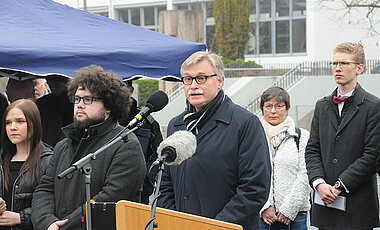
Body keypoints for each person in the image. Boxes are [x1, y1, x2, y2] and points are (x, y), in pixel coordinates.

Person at [157, 51, 271, 230]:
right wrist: (175, 221)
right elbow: (164, 184)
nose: (193, 85)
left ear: (220, 81)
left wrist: (215, 226)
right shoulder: (176, 125)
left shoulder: (244, 123)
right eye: (188, 79)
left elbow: (254, 188)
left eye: (201, 78)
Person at [31, 65, 146, 230]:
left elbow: (108, 199)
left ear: (108, 106)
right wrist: (47, 222)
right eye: (77, 99)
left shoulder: (125, 144)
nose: (79, 105)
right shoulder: (63, 145)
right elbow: (45, 189)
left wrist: (64, 226)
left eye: (88, 99)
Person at [305, 42, 380, 229]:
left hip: (358, 210)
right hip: (325, 208)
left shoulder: (373, 106)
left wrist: (340, 185)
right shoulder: (322, 106)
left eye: (344, 63)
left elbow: (372, 156)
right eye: (334, 63)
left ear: (359, 68)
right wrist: (319, 184)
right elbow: (312, 150)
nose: (337, 68)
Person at [259, 86, 311, 230]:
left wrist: (289, 209)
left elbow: (306, 174)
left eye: (279, 106)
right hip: (263, 215)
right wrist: (265, 205)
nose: (273, 111)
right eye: (268, 106)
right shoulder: (254, 136)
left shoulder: (301, 136)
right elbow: (249, 173)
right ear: (262, 109)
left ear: (287, 109)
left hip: (296, 215)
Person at [0, 99, 52, 230]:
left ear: (34, 124)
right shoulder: (2, 159)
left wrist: (21, 217)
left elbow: (54, 202)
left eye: (20, 121)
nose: (12, 127)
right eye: (8, 123)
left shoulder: (48, 161)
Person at [119, 80, 163, 204]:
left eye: (121, 85)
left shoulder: (148, 124)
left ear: (131, 90)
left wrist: (144, 182)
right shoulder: (101, 119)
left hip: (139, 197)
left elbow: (157, 158)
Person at [36, 75, 72, 148]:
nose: (53, 86)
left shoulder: (76, 103)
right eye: (51, 82)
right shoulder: (43, 103)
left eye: (57, 83)